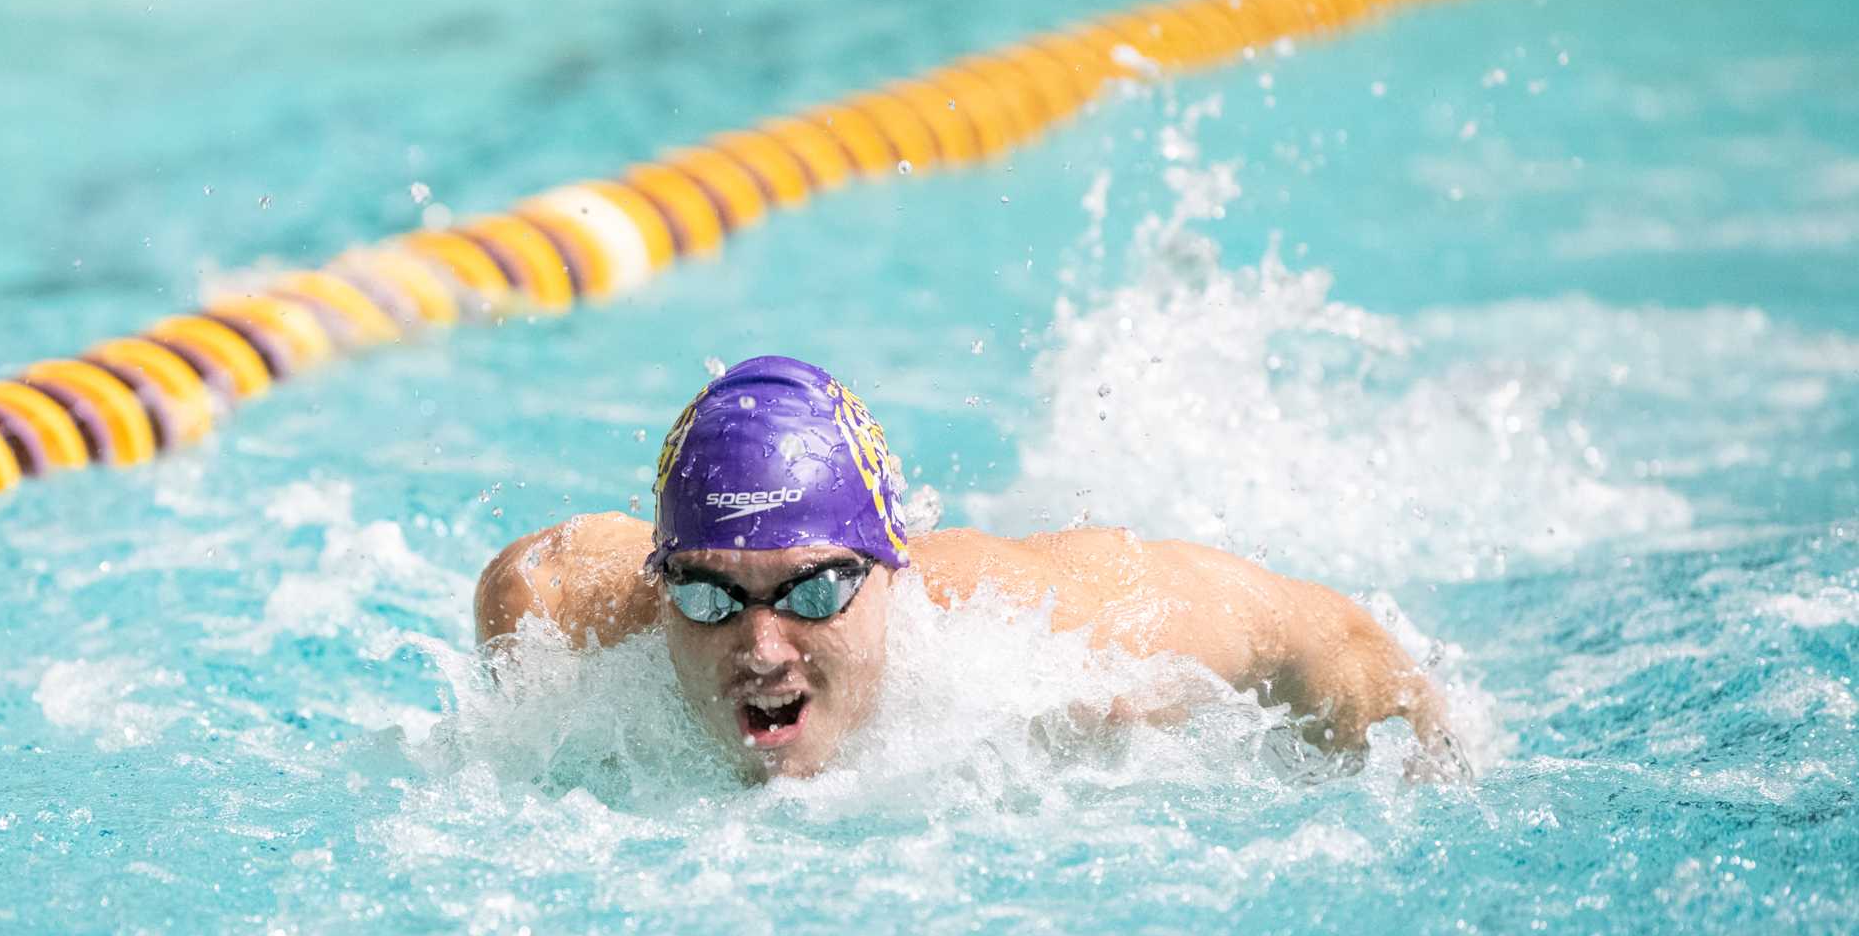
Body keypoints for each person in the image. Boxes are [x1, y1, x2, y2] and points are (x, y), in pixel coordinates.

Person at [475, 355, 1466, 782]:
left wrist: (1427, 768)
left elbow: (1332, 643)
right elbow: (532, 572)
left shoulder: (1033, 632)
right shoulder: (574, 623)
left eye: (815, 590)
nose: (759, 646)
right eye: (707, 594)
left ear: (889, 568)